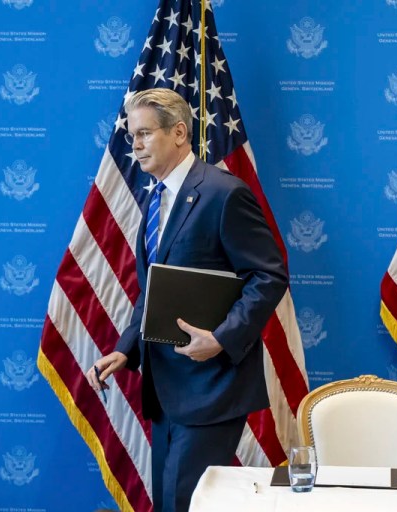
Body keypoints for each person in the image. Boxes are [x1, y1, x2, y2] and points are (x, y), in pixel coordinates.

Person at [86, 88, 287, 512]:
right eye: (131, 136)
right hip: (165, 391)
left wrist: (222, 338)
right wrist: (126, 350)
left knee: (182, 506)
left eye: (144, 134)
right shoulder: (154, 199)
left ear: (179, 133)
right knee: (170, 504)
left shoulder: (223, 194)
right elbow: (154, 289)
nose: (134, 145)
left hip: (211, 388)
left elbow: (268, 276)